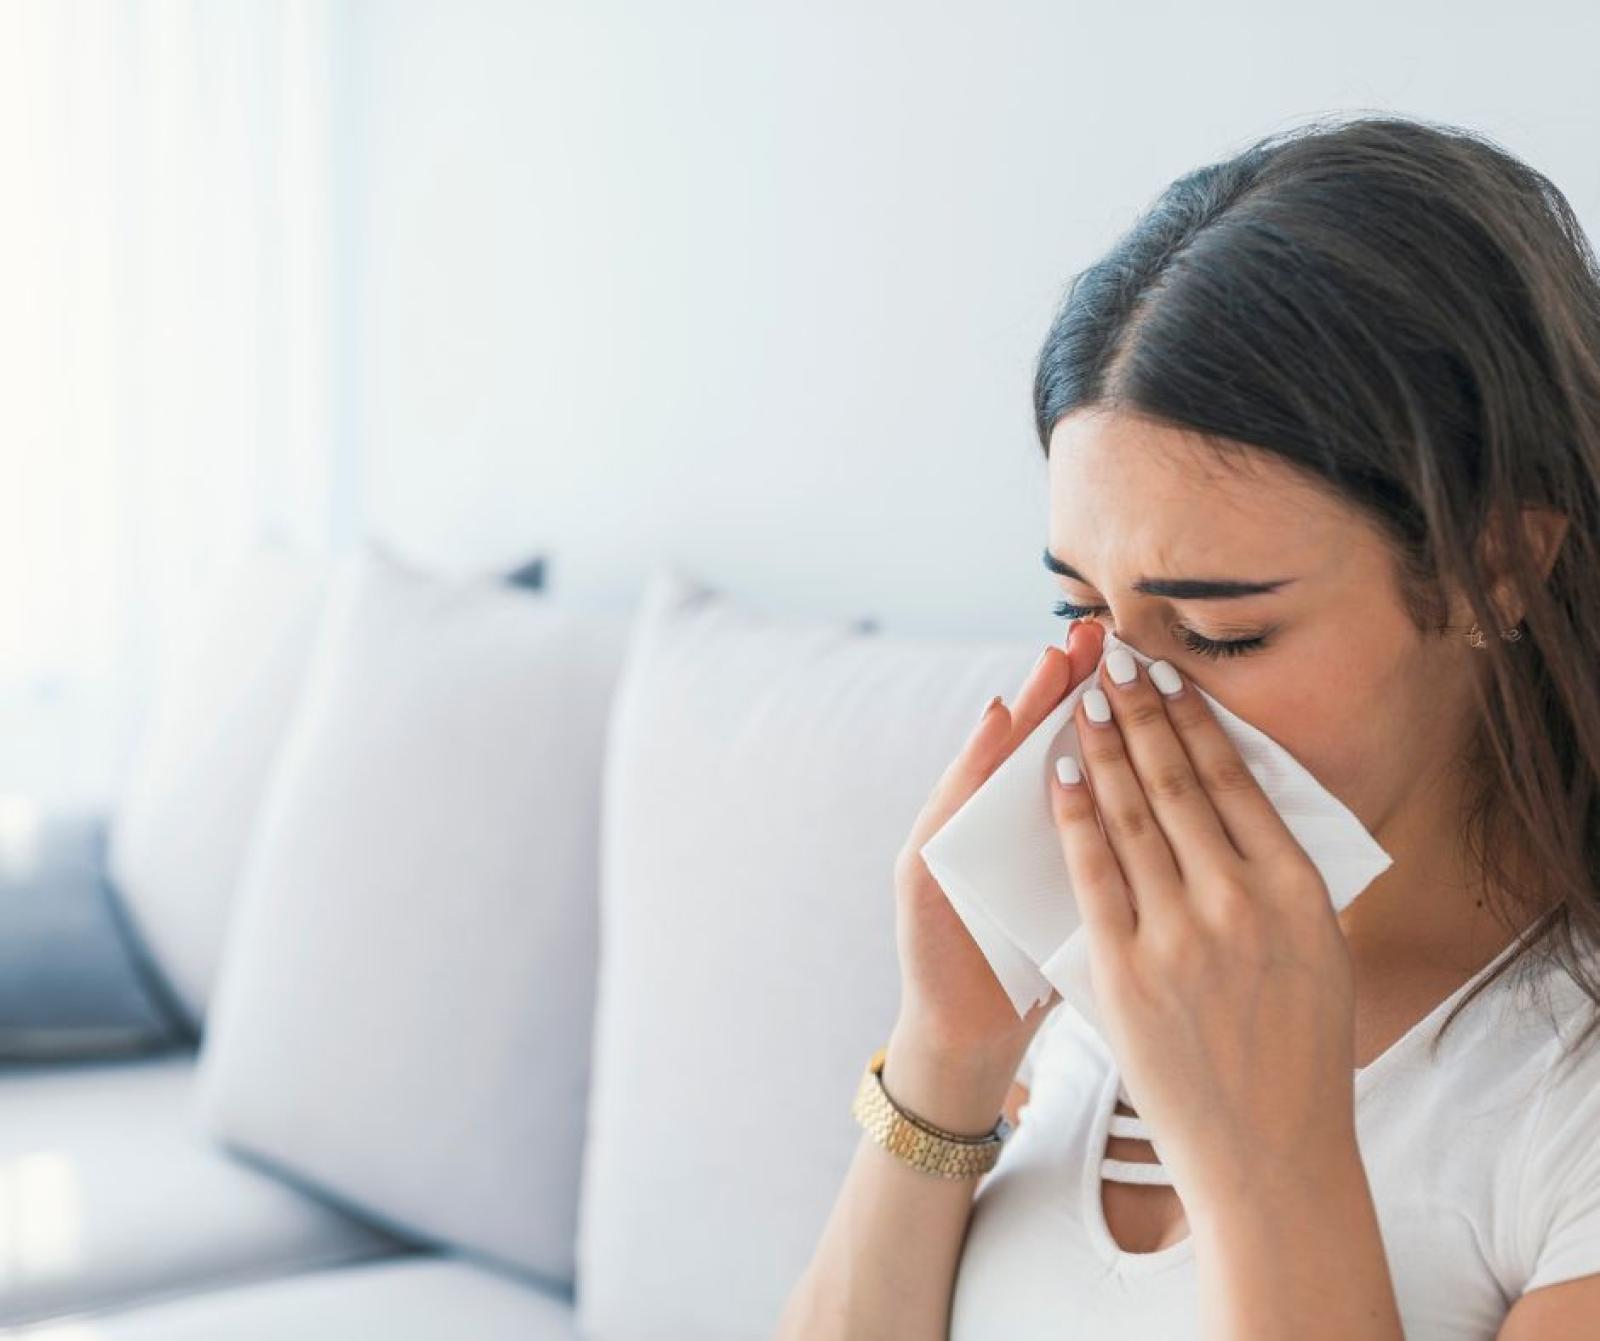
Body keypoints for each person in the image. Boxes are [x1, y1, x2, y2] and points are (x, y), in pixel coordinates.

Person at [773, 113, 1600, 1339]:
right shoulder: (1113, 964)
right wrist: (945, 1060)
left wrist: (1268, 1159)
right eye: (1083, 610)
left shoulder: (1559, 1100)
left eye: (1221, 634)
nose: (1123, 705)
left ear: (1494, 570)